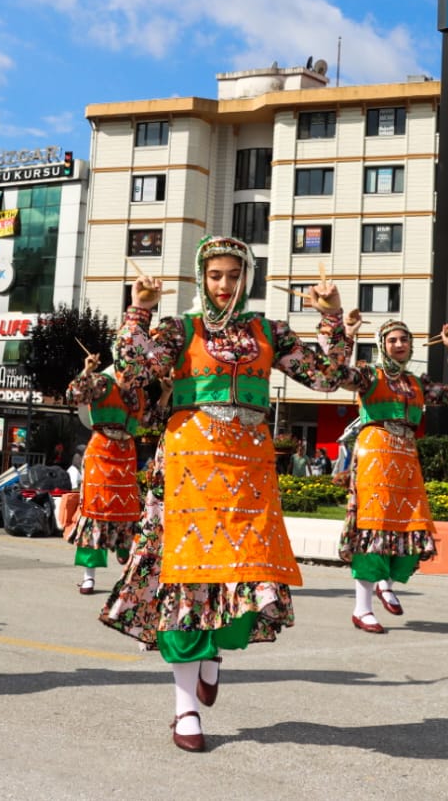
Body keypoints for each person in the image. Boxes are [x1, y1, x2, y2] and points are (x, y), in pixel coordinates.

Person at [102, 235, 349, 752]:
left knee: (244, 585)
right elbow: (133, 369)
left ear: (247, 278)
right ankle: (185, 709)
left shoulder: (270, 331)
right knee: (185, 584)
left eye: (233, 276)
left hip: (248, 473)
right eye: (215, 275)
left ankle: (212, 655)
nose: (223, 285)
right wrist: (139, 311)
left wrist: (332, 317)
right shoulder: (179, 328)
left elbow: (329, 377)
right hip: (189, 468)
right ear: (201, 277)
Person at [330, 313, 448, 634]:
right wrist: (347, 336)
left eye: (403, 339)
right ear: (382, 345)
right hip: (375, 452)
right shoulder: (369, 375)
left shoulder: (416, 383)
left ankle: (386, 583)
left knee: (411, 525)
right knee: (373, 528)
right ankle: (361, 609)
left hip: (406, 457)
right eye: (392, 340)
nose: (399, 344)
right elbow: (338, 376)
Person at [64, 352, 148, 595]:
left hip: (127, 454)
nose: (132, 376)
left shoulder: (139, 392)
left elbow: (151, 420)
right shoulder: (102, 382)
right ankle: (89, 576)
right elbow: (73, 395)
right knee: (95, 513)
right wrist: (86, 371)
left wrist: (165, 393)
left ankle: (124, 554)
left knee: (129, 511)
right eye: (129, 370)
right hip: (101, 452)